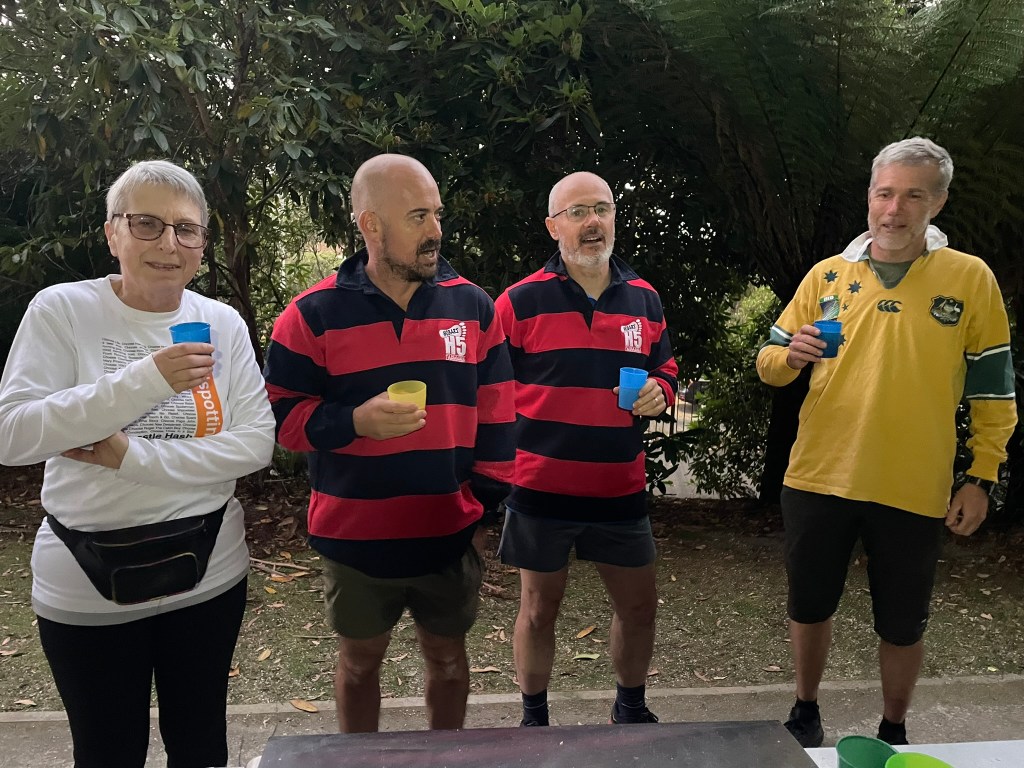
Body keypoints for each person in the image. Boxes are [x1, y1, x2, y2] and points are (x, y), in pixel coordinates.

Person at [0, 160, 276, 768]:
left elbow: (255, 444)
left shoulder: (221, 323)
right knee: (107, 752)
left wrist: (128, 457)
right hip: (84, 579)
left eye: (186, 229)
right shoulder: (63, 310)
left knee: (201, 747)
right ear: (112, 233)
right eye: (147, 223)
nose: (168, 244)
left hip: (210, 568)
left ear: (202, 242)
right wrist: (144, 381)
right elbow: (12, 433)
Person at [756, 137, 1016, 747]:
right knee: (809, 606)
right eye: (884, 193)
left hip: (913, 484)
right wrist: (789, 355)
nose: (894, 209)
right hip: (818, 476)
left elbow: (993, 390)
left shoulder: (969, 278)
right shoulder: (827, 275)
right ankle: (804, 710)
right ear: (870, 196)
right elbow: (769, 362)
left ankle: (894, 728)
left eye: (913, 196)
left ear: (938, 202)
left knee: (902, 623)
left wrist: (981, 476)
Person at [263, 153, 515, 733]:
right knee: (358, 666)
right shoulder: (310, 316)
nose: (436, 231)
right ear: (370, 225)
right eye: (418, 217)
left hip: (446, 534)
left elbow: (499, 414)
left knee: (448, 662)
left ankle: (444, 758)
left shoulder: (473, 307)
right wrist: (355, 421)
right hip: (354, 540)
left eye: (437, 214)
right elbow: (282, 421)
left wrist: (480, 509)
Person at [495, 171, 679, 726]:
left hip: (618, 486)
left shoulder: (645, 298)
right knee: (538, 610)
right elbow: (489, 388)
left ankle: (631, 709)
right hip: (540, 487)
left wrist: (661, 390)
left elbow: (666, 367)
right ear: (554, 227)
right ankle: (534, 719)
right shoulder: (519, 302)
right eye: (577, 212)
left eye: (601, 209)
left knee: (639, 607)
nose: (592, 222)